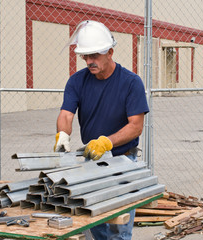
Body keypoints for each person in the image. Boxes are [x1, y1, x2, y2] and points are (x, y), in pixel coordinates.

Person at [54, 20, 149, 240]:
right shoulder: (77, 81)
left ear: (110, 52)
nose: (89, 61)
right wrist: (63, 135)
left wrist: (106, 142)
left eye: (94, 56)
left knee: (118, 231)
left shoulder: (131, 82)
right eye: (85, 57)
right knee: (93, 225)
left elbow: (136, 126)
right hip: (91, 162)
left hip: (123, 162)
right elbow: (66, 114)